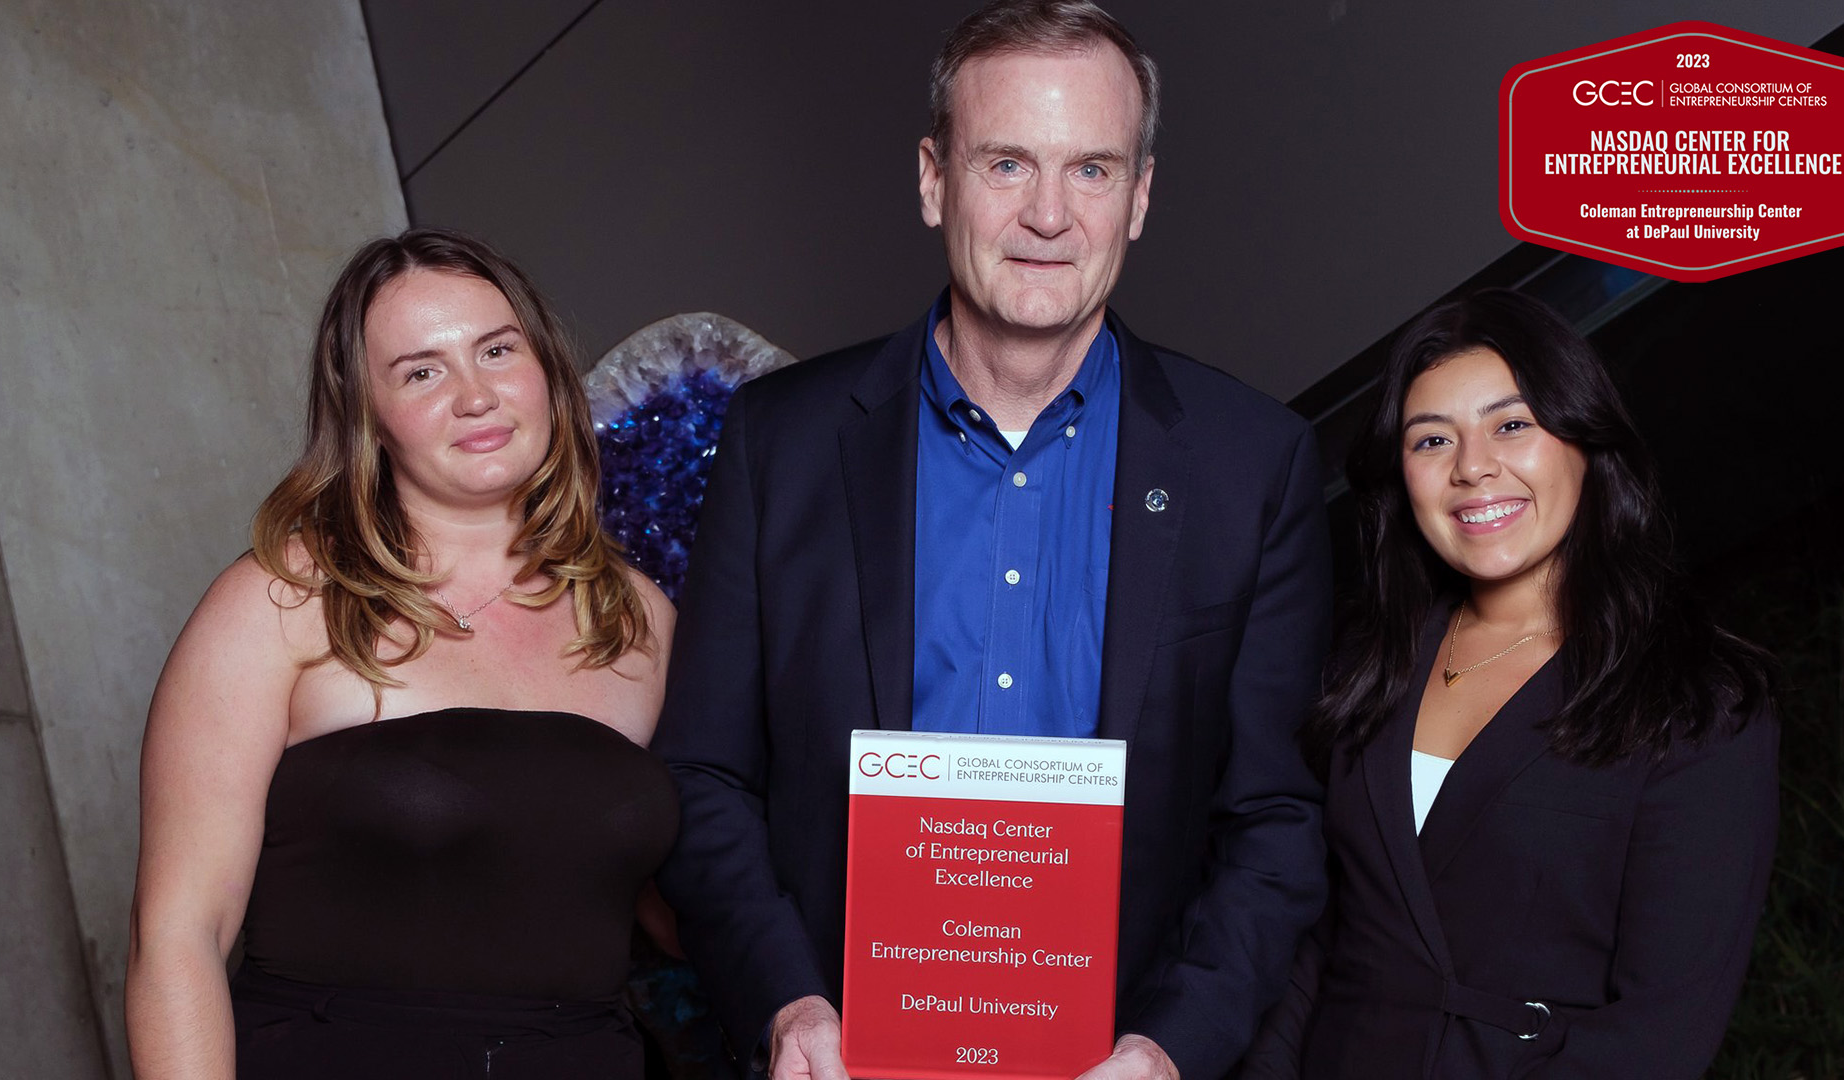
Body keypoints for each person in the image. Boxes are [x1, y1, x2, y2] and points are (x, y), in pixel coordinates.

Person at [654, 3, 1331, 1079]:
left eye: (1093, 170)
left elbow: (1275, 822)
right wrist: (786, 1006)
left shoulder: (1252, 468)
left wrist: (1170, 1050)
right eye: (1007, 163)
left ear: (1142, 196)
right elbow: (700, 773)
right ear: (934, 180)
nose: (1049, 215)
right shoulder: (780, 442)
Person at [124, 228, 678, 1079]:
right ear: (368, 417)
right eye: (422, 371)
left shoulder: (637, 618)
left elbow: (678, 904)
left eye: (497, 350)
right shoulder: (282, 600)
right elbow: (177, 941)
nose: (476, 395)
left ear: (548, 372)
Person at [1256, 288, 1778, 1077]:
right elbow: (1317, 941)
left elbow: (1658, 1038)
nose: (1473, 468)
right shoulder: (1367, 661)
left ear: (1584, 438)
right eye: (1432, 440)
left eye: (1511, 425)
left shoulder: (1698, 702)